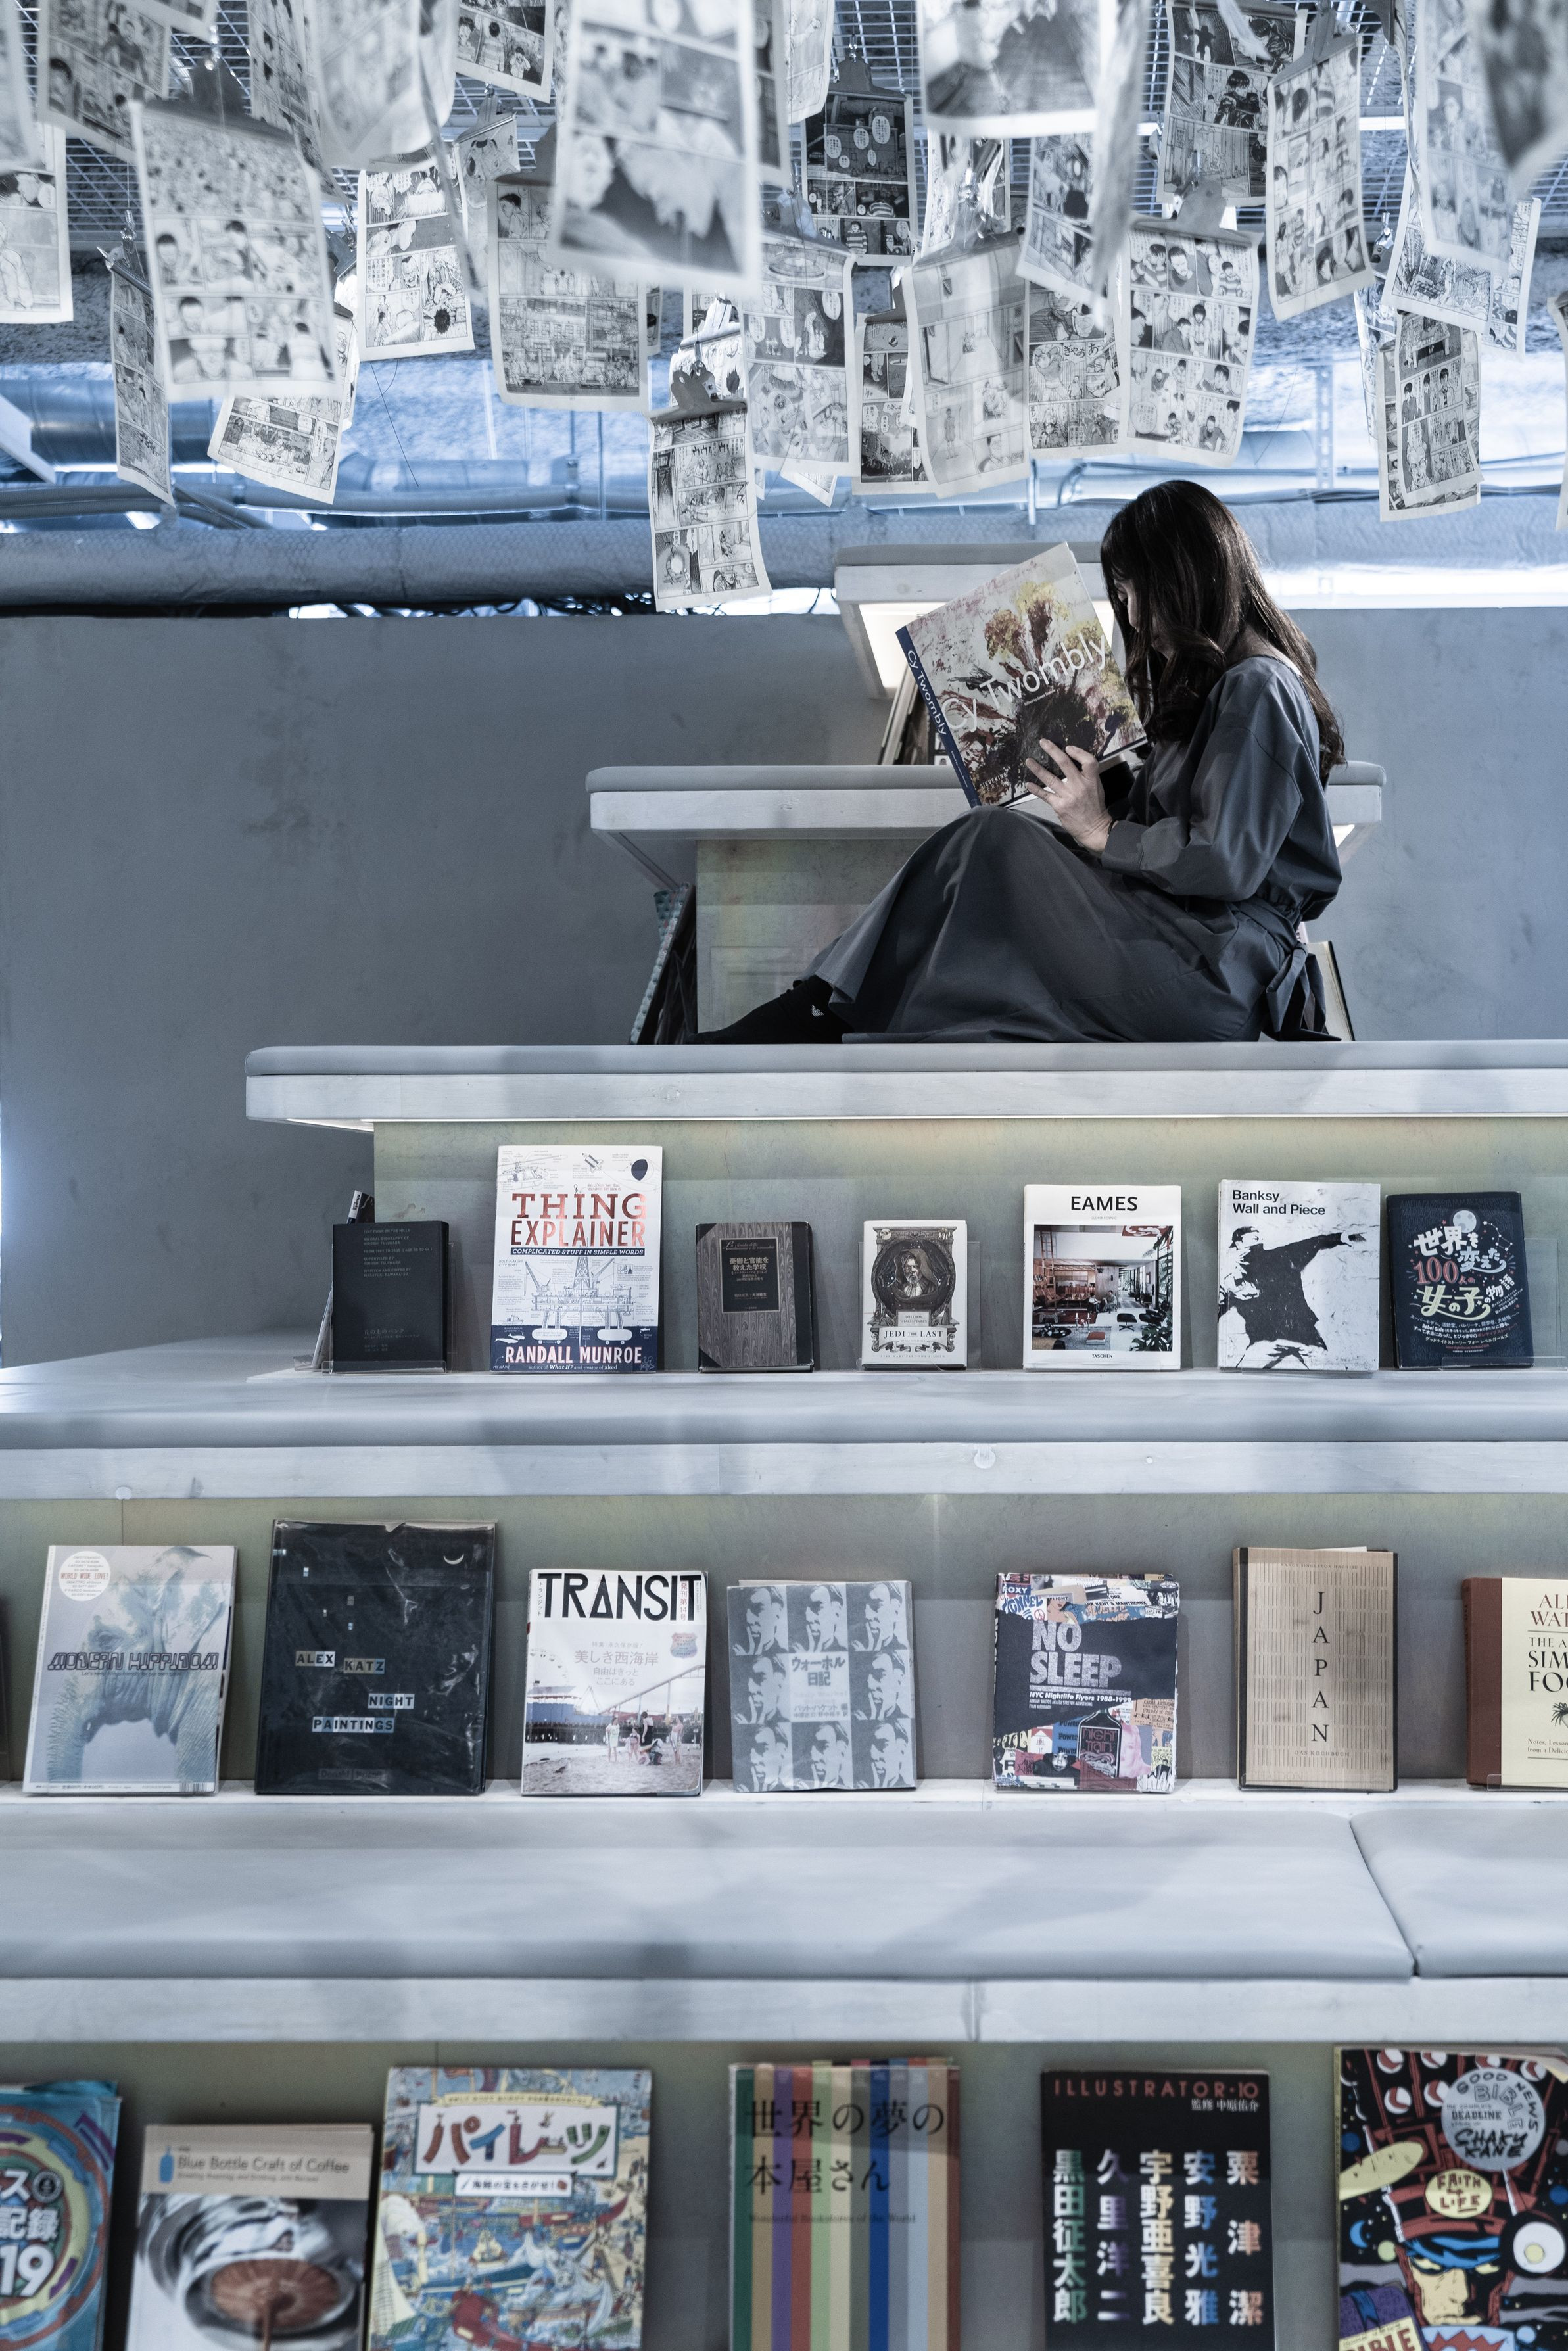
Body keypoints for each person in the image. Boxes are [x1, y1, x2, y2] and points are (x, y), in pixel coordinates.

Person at [696, 482, 1344, 1044]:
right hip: (1191, 945)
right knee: (987, 848)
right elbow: (1177, 835)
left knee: (990, 840)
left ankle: (821, 1009)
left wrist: (1103, 830)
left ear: (1183, 577)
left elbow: (1225, 861)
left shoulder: (1259, 686)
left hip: (1215, 969)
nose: (1132, 614)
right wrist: (1098, 776)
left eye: (1133, 590)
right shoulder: (1226, 690)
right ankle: (827, 1008)